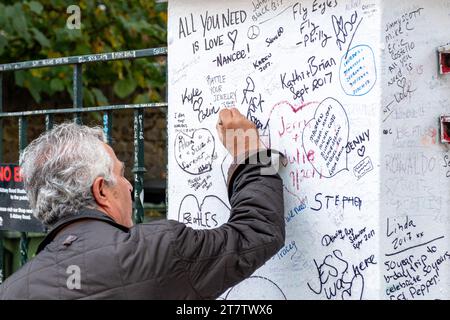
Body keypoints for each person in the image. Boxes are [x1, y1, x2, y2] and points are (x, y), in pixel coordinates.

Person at [0, 108, 285, 299]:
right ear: (101, 190)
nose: (129, 184)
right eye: (121, 174)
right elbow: (256, 233)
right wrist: (249, 154)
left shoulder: (13, 290)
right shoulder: (155, 251)